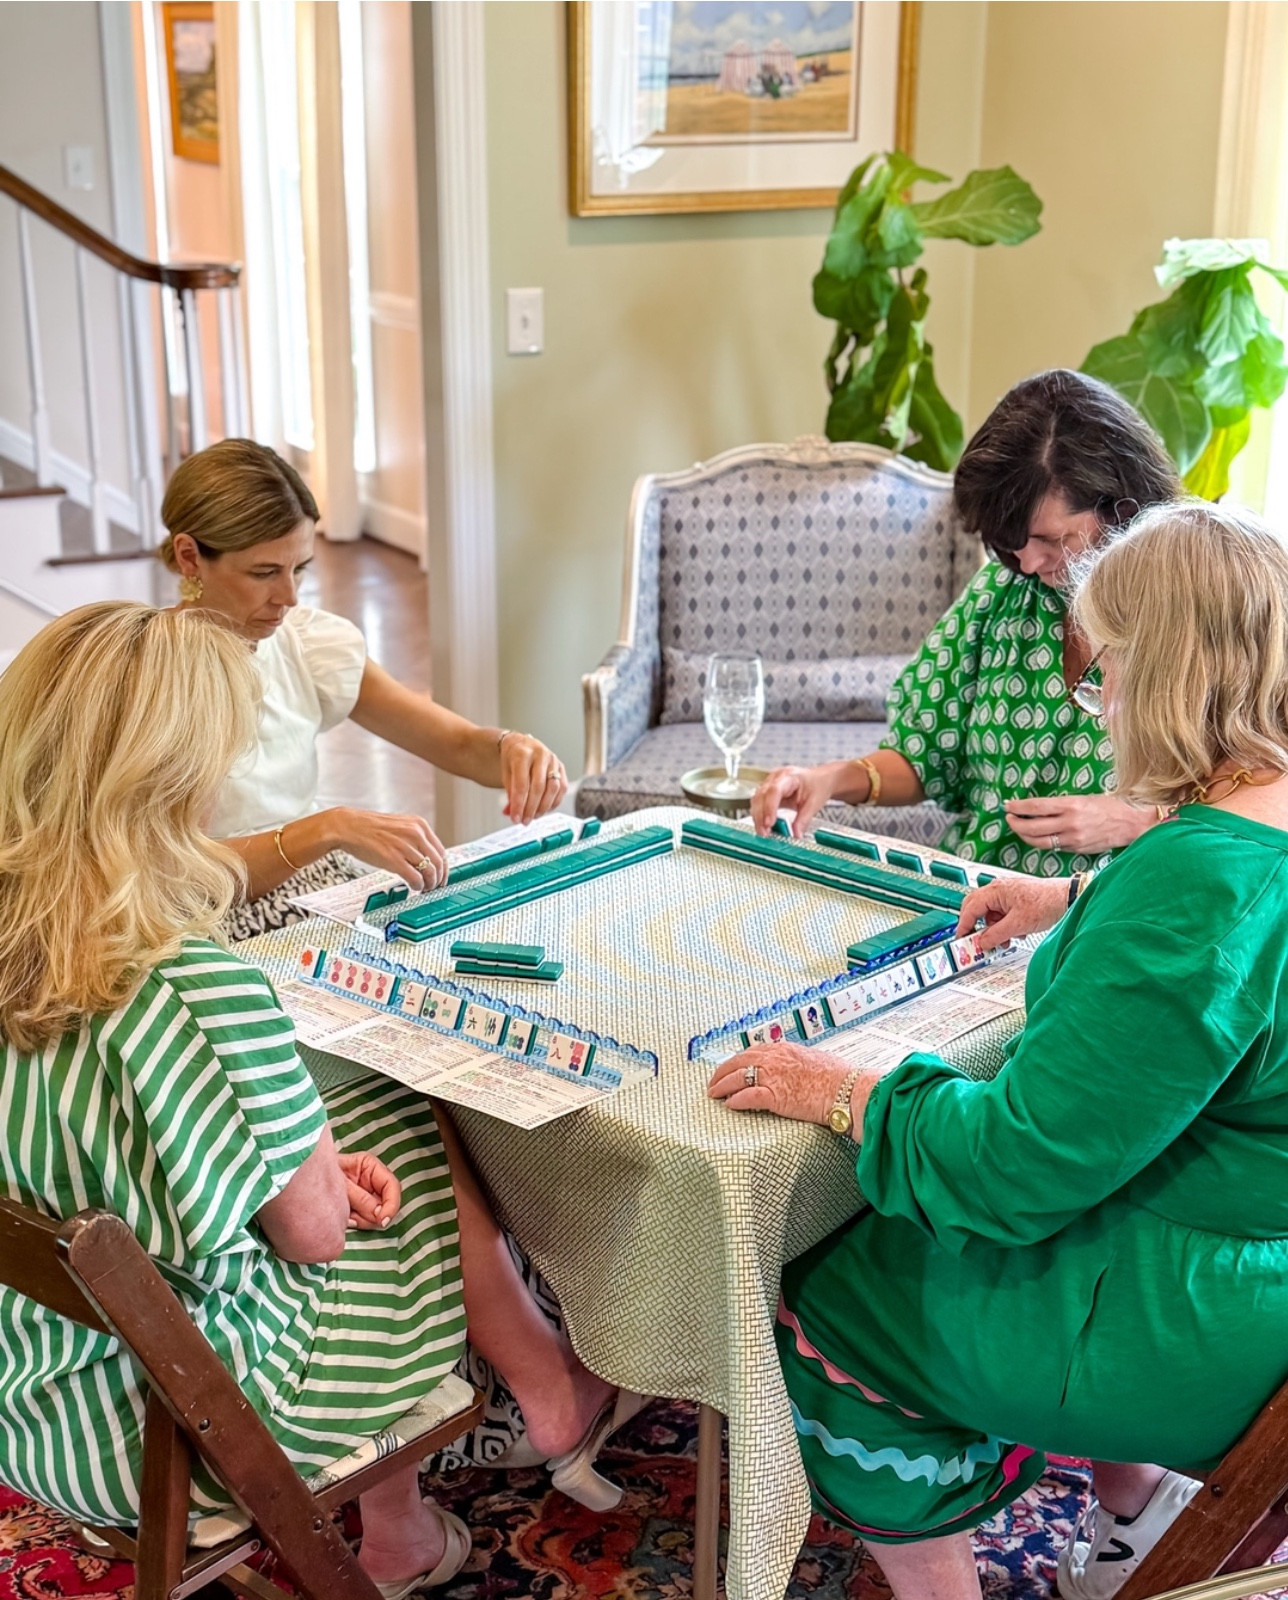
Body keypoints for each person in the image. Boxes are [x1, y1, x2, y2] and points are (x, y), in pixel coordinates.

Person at [713, 502, 1288, 1600]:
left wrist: (843, 1093)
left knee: (815, 1276)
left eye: (1104, 668)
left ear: (1162, 673)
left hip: (1188, 1324)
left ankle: (942, 1577)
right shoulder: (1246, 821)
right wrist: (1072, 898)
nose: (1099, 700)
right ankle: (1133, 1511)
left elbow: (1011, 1172)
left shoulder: (1195, 886)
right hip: (1249, 1269)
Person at [0, 603, 625, 1595]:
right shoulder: (197, 984)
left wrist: (310, 1160)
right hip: (172, 1432)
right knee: (406, 1121)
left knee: (346, 1139)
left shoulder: (26, 943)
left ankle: (411, 1516)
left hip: (39, 1398)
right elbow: (314, 1236)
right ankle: (529, 1395)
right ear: (175, 778)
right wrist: (327, 1172)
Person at [751, 369, 1182, 877]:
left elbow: (1261, 794)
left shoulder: (1194, 612)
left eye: (1051, 540)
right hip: (978, 898)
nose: (1026, 563)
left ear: (1122, 505)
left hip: (1120, 916)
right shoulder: (1003, 595)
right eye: (1011, 542)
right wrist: (826, 780)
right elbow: (925, 753)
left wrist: (1141, 821)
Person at [157, 438, 568, 942]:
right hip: (212, 925)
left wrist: (511, 750)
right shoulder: (154, 678)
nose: (288, 597)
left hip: (310, 890)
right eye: (264, 572)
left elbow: (456, 744)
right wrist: (329, 829)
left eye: (299, 569)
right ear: (190, 555)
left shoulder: (306, 646)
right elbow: (182, 877)